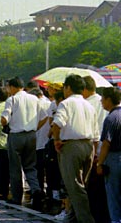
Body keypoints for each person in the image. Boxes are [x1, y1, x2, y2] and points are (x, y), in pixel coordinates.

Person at [52, 74, 97, 223]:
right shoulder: (89, 105)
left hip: (72, 146)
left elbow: (57, 124)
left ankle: (86, 220)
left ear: (68, 88)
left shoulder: (66, 103)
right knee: (82, 185)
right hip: (89, 146)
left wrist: (57, 140)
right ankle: (73, 217)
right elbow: (96, 133)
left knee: (74, 187)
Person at [1, 77, 44, 209]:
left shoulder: (12, 99)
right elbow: (45, 116)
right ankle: (36, 189)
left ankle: (16, 197)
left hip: (16, 135)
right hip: (31, 135)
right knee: (30, 166)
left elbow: (4, 119)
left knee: (15, 167)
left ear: (13, 87)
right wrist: (35, 127)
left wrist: (5, 123)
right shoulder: (34, 98)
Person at [82, 76, 110, 222]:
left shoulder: (85, 104)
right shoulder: (102, 101)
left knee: (91, 187)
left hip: (92, 148)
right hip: (105, 149)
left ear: (85, 89)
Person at [97, 87, 121, 222]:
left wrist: (100, 163)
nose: (101, 101)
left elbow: (106, 143)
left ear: (109, 99)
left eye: (103, 98)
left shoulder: (111, 118)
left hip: (114, 158)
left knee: (113, 196)